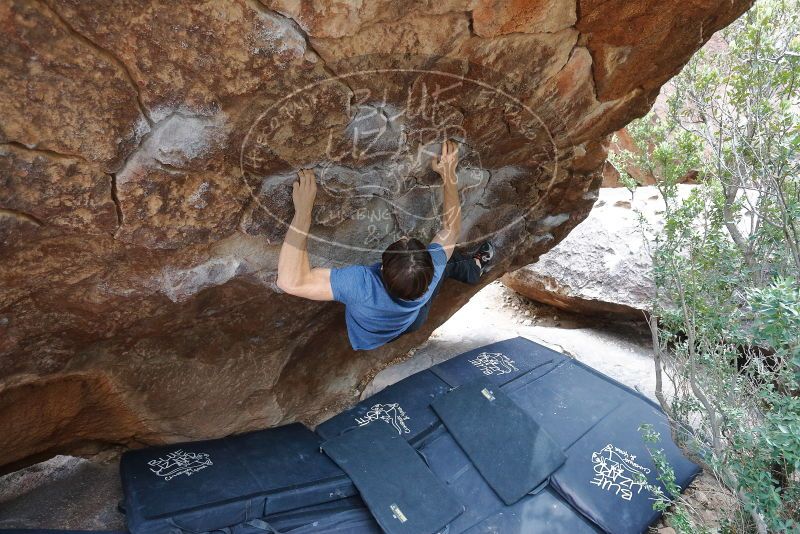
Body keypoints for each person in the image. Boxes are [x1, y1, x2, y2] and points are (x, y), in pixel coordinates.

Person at [276, 140, 495, 350]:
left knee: (448, 261)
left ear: (381, 268)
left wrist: (303, 212)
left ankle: (471, 268)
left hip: (375, 332)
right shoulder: (434, 268)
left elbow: (291, 282)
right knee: (448, 261)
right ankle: (473, 267)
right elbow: (451, 229)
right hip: (412, 319)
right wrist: (449, 176)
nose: (405, 236)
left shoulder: (362, 286)